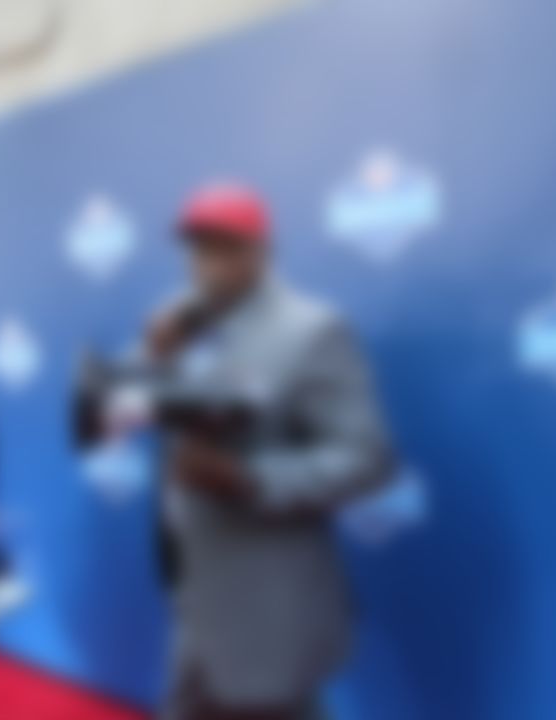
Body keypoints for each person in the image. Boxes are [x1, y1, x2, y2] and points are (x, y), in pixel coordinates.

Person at [148, 184, 394, 720]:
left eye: (220, 247)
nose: (202, 265)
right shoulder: (182, 322)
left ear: (258, 251)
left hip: (268, 600)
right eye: (196, 248)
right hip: (195, 585)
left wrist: (248, 477)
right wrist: (156, 367)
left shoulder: (312, 329)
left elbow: (368, 459)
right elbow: (168, 416)